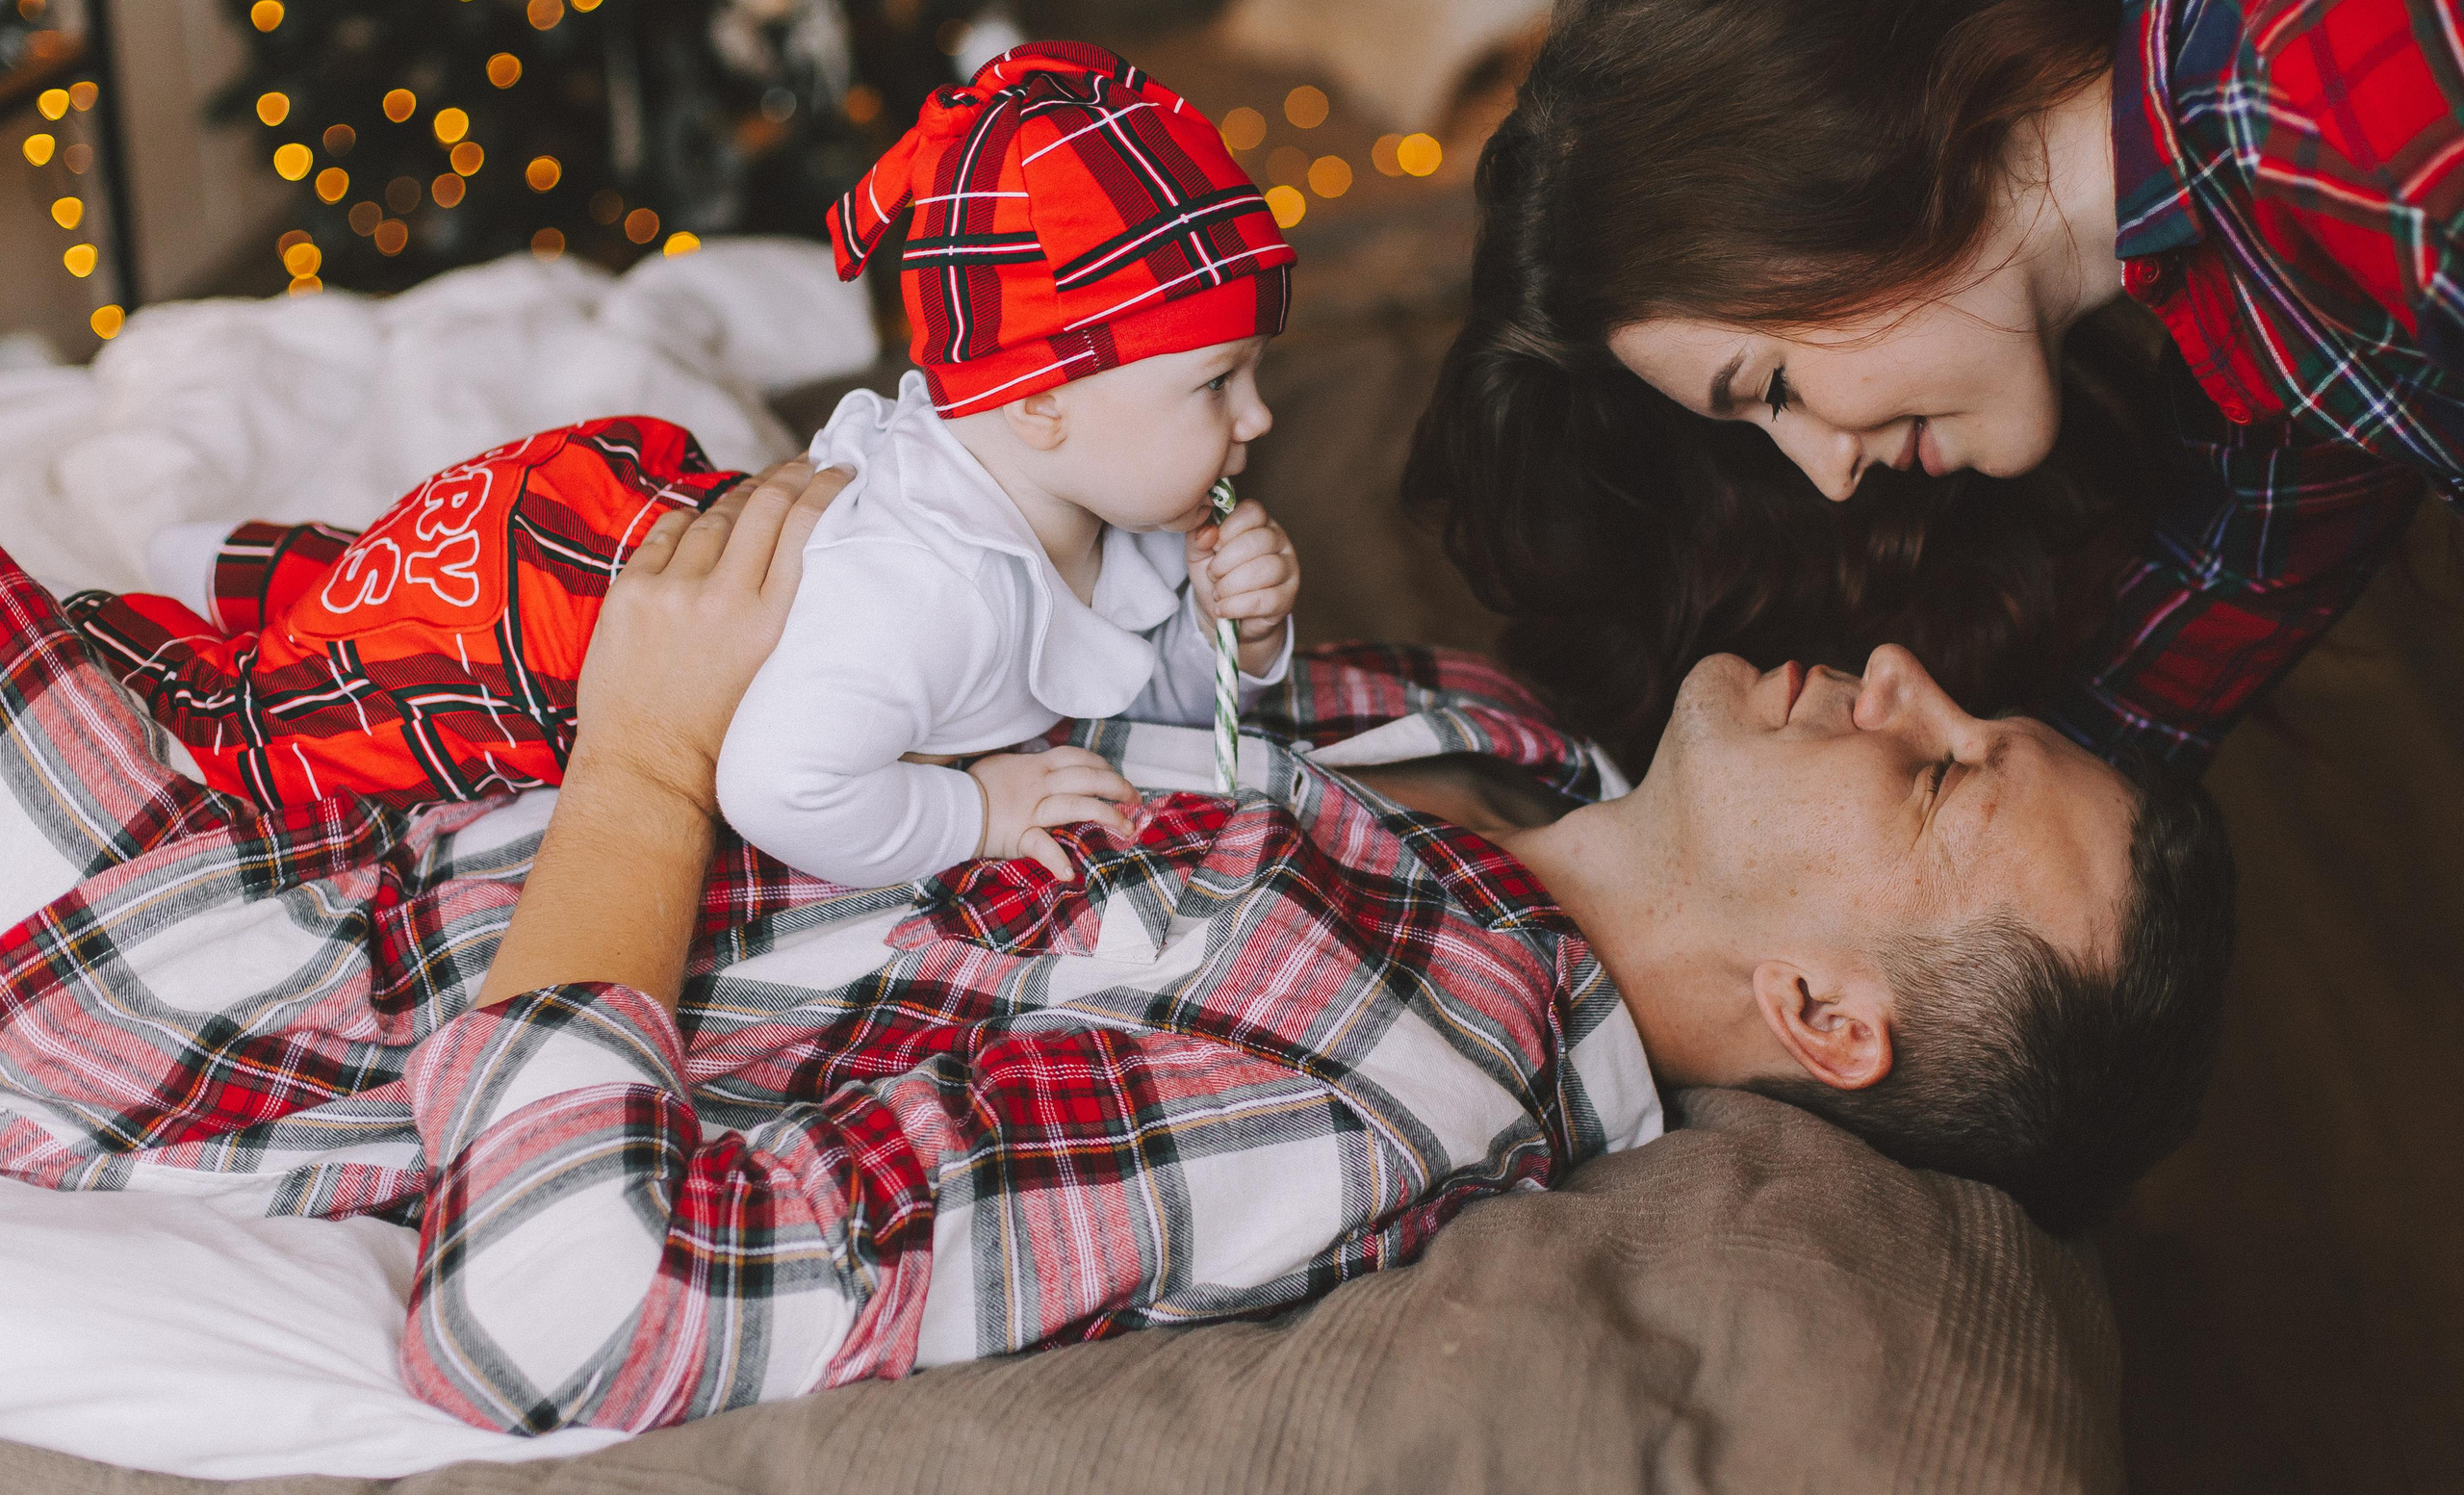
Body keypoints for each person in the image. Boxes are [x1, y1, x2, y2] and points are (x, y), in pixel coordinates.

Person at [0, 451, 2233, 1433]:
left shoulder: (1389, 1081)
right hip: (258, 695)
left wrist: (648, 754)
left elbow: (566, 1315)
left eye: (1935, 778)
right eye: (1969, 713)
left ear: (1825, 1012)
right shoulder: (1486, 732)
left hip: (158, 935)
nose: (1899, 677)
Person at [1410, 0, 2464, 771]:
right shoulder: (2225, 269)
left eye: (1767, 388)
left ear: (1825, 171)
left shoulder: (2307, 78)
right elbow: (2205, 625)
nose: (1829, 476)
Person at [66, 42, 1302, 886]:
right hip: (544, 624)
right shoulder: (929, 595)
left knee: (363, 569)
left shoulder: (1096, 508)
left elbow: (1162, 697)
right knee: (314, 696)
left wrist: (1237, 632)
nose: (1253, 421)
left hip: (637, 523)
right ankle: (191, 568)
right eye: (1215, 384)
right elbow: (778, 786)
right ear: (1036, 404)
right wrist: (975, 813)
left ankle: (237, 553)